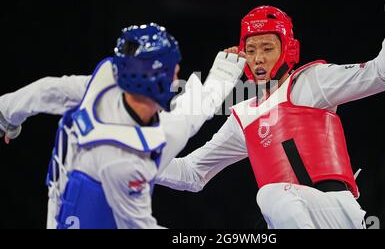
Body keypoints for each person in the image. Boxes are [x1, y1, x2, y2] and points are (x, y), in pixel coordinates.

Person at [154, 0, 385, 229]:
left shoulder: (313, 81)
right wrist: (136, 157)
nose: (258, 58)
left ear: (288, 49)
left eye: (267, 48)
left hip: (336, 211)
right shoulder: (242, 116)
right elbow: (191, 173)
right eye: (251, 50)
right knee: (271, 200)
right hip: (294, 217)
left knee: (269, 195)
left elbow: (384, 75)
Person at [0, 23, 245, 229]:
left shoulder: (103, 85)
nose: (177, 73)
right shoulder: (126, 161)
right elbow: (138, 226)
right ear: (162, 78)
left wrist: (6, 115)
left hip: (65, 197)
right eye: (174, 69)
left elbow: (48, 91)